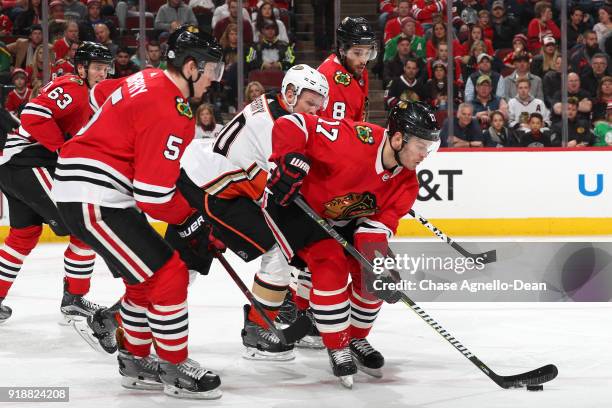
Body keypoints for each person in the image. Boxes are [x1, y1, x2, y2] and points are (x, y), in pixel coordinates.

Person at [51, 26, 226, 399]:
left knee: (143, 281)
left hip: (88, 189)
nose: (215, 79)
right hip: (96, 195)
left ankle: (134, 358)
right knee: (170, 272)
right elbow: (152, 194)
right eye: (212, 69)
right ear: (192, 67)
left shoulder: (147, 78)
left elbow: (99, 93)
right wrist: (190, 219)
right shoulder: (174, 109)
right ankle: (174, 365)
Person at [262, 101, 440, 386]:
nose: (424, 155)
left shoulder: (407, 184)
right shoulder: (353, 140)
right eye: (420, 145)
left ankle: (356, 338)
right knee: (330, 266)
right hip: (298, 209)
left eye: (429, 147)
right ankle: (337, 345)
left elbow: (374, 230)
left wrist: (378, 269)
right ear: (397, 138)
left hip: (346, 219)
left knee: (375, 274)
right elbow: (291, 124)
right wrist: (288, 159)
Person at [173, 64, 330, 359]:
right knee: (279, 250)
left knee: (181, 263)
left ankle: (127, 319)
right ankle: (259, 329)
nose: (315, 112)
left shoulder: (277, 103)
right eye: (311, 104)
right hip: (215, 191)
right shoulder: (274, 125)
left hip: (200, 178)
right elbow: (277, 190)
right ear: (292, 93)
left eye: (319, 106)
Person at [0, 43, 113, 324]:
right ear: (82, 68)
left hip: (15, 168)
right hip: (28, 163)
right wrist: (64, 150)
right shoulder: (74, 87)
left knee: (23, 235)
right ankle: (74, 299)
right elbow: (34, 116)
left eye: (105, 68)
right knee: (83, 225)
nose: (102, 73)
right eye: (97, 67)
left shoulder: (88, 93)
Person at [318, 16, 376, 121]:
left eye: (367, 53)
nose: (363, 60)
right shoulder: (330, 76)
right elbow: (336, 132)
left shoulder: (358, 70)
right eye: (357, 53)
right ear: (342, 50)